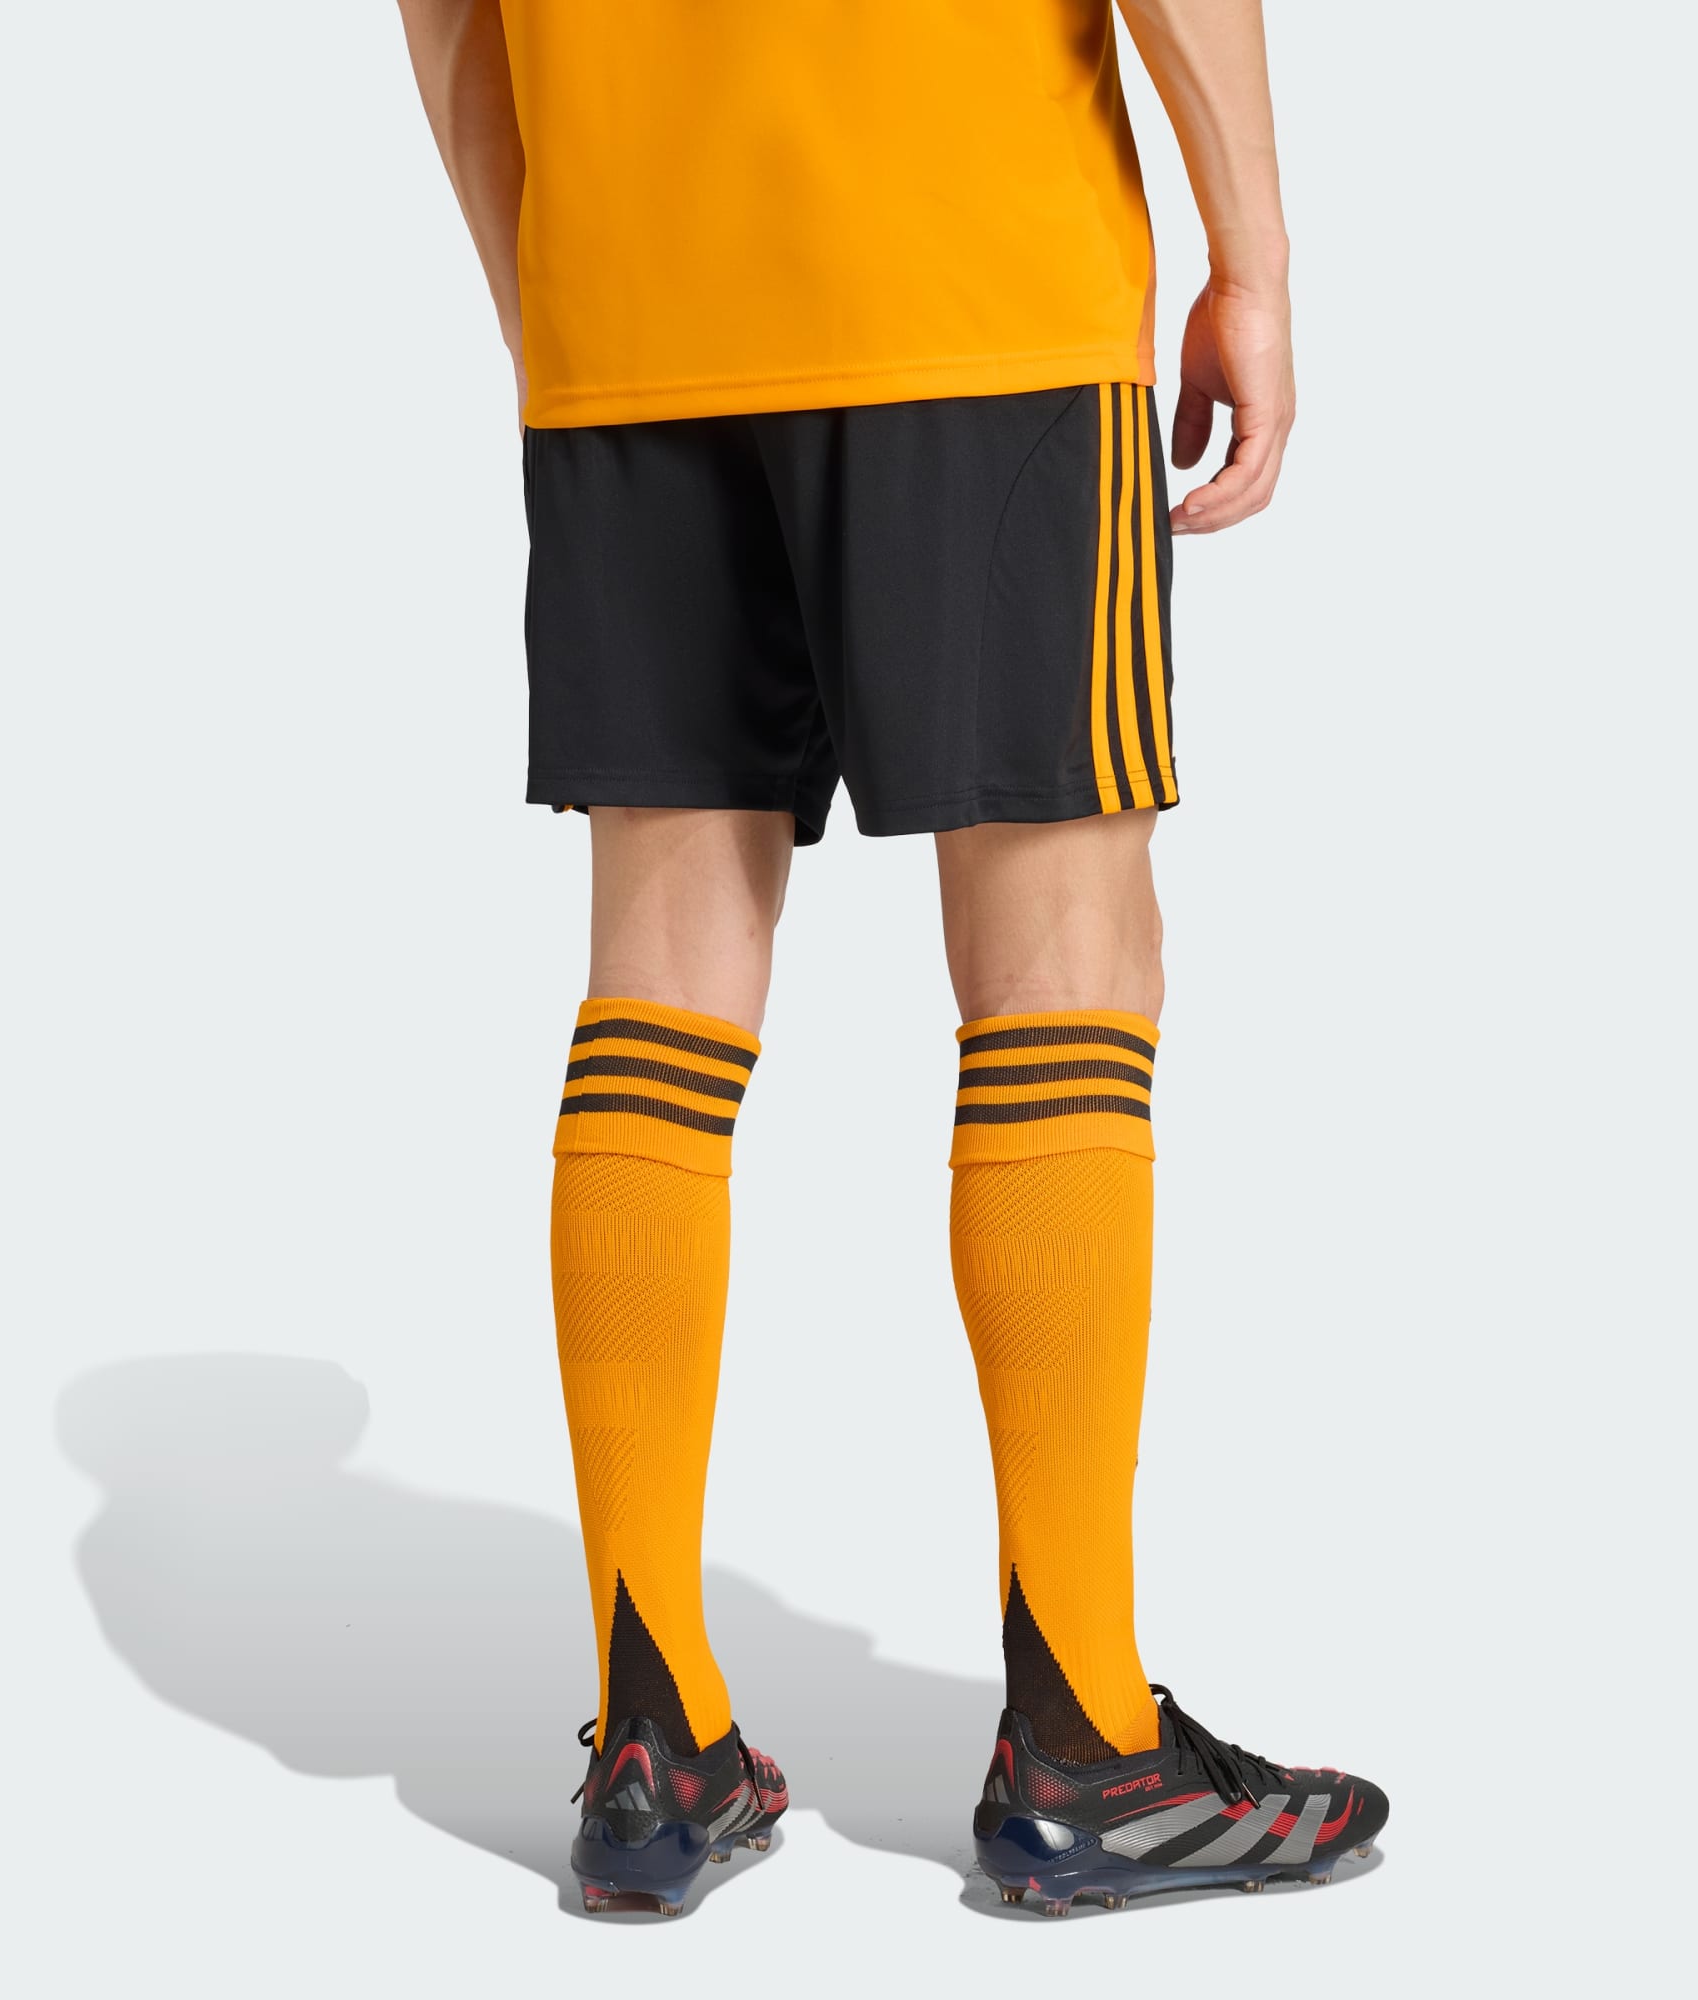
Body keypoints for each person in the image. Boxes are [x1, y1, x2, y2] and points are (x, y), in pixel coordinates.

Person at [394, 0, 1386, 1917]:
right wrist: (1252, 257)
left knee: (658, 980)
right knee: (1065, 966)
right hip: (974, 271)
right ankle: (1086, 1743)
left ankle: (654, 1739)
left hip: (635, 309)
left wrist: (564, 307)